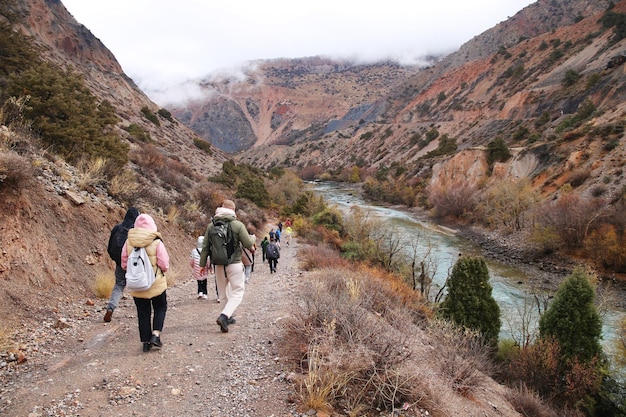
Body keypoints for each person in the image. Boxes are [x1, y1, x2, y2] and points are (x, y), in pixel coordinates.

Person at [199, 200, 256, 333]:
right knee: (238, 291)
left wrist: (202, 265)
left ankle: (227, 318)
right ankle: (224, 316)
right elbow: (247, 243)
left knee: (223, 294)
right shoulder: (237, 225)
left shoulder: (211, 226)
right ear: (233, 210)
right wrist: (252, 238)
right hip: (234, 264)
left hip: (218, 265)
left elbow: (205, 247)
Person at [121, 213, 170, 352]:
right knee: (160, 307)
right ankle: (156, 334)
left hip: (137, 284)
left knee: (143, 313)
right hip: (156, 283)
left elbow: (124, 264)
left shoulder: (128, 242)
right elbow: (164, 264)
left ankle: (145, 342)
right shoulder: (156, 242)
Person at [104, 207, 140, 322]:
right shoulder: (137, 231)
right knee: (138, 286)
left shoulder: (117, 228)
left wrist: (116, 260)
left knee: (119, 285)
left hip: (120, 262)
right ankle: (142, 311)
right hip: (134, 263)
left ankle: (111, 307)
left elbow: (109, 247)